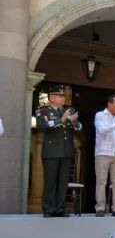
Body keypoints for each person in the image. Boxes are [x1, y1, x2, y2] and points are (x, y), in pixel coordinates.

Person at [35, 85, 81, 218]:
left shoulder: (69, 110)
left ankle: (60, 209)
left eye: (63, 96)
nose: (63, 98)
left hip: (66, 152)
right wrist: (61, 120)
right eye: (60, 96)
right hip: (51, 152)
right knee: (50, 182)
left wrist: (73, 122)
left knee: (62, 182)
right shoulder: (42, 110)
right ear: (51, 98)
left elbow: (80, 126)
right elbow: (43, 126)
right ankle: (49, 209)